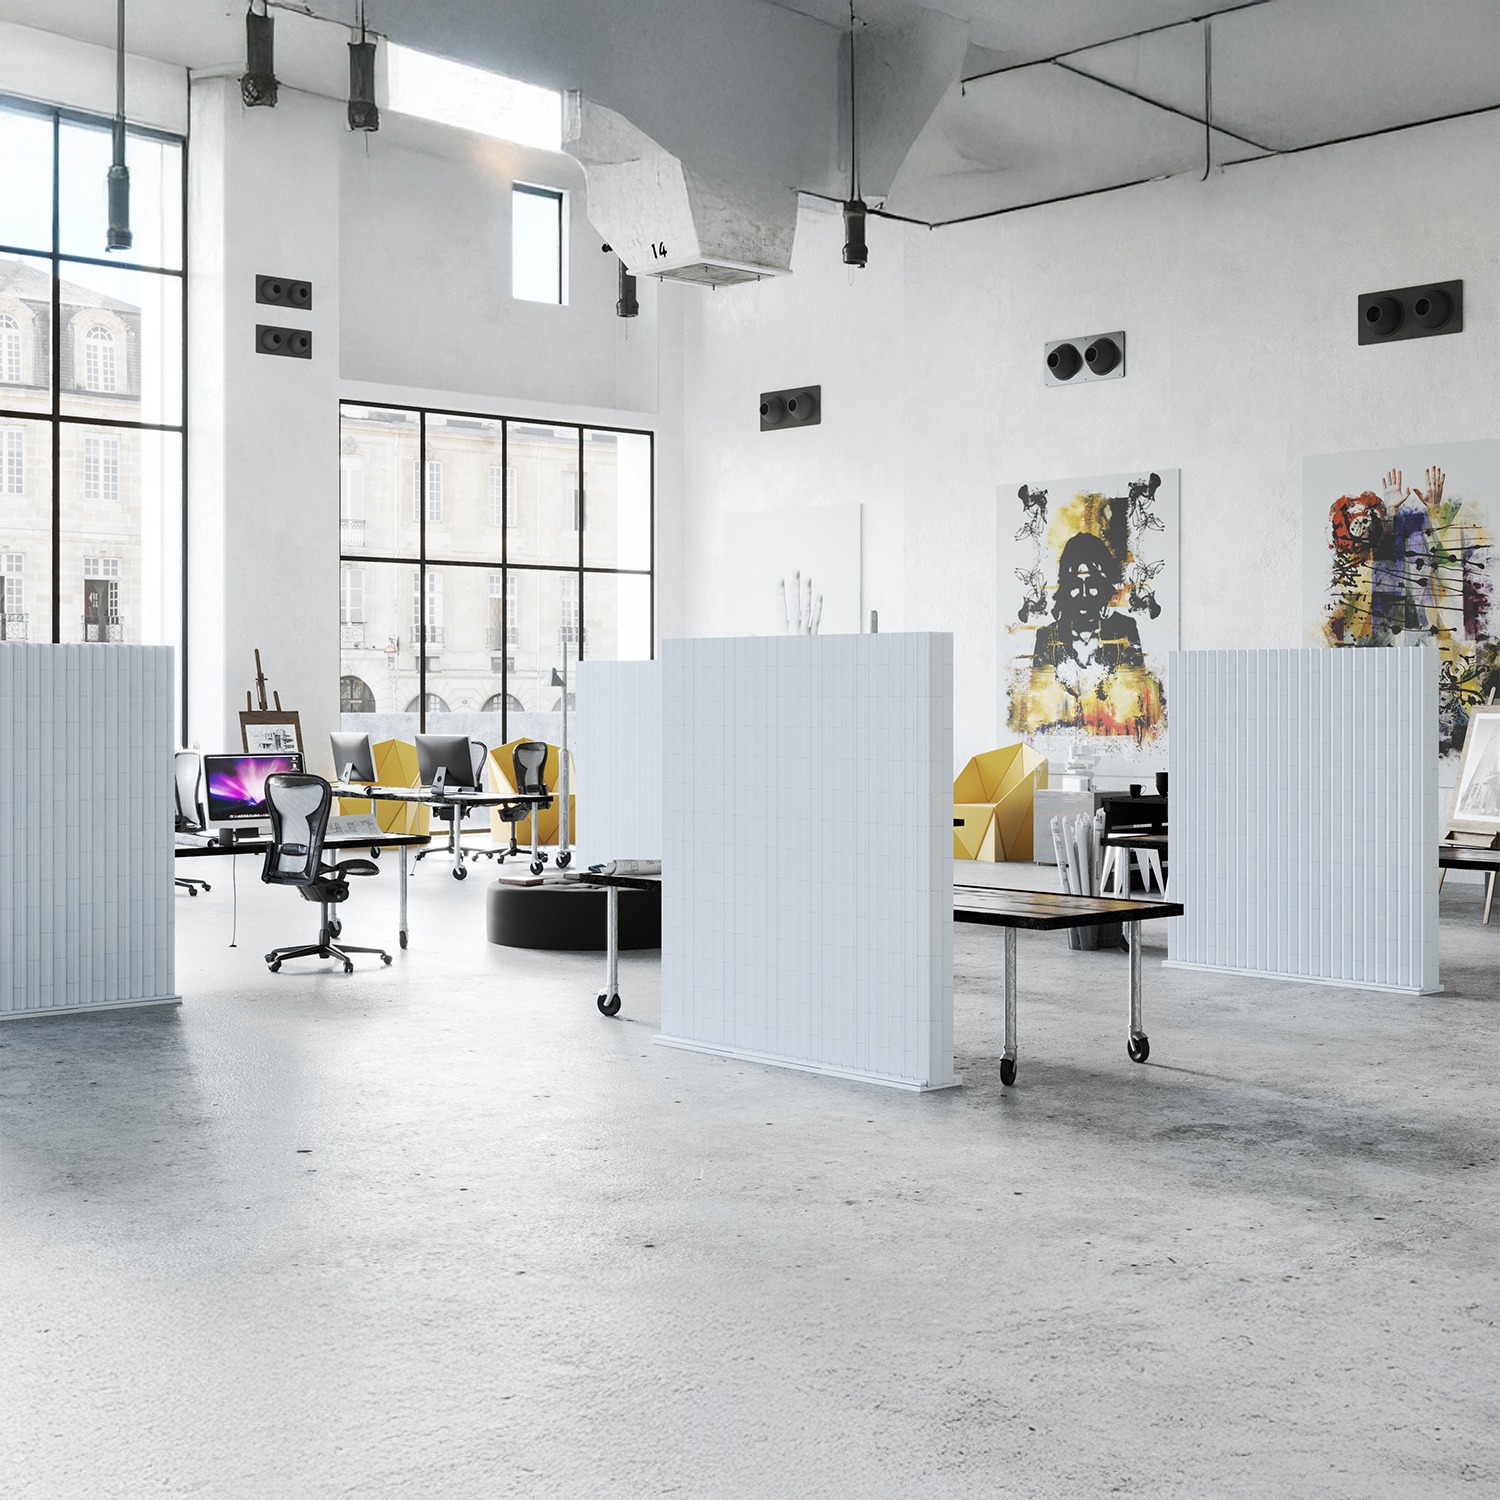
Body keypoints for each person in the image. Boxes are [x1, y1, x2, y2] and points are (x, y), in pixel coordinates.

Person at [1032, 531, 1143, 673]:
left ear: (1105, 586)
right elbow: (1038, 685)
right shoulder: (1047, 637)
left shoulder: (1125, 630)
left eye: (1093, 583)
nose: (1084, 594)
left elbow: (1137, 682)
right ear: (1065, 587)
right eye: (1075, 583)